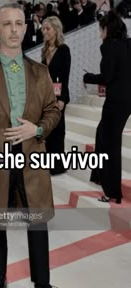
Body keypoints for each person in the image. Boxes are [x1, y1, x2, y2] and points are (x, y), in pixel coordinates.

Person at [0, 3, 61, 288]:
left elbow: (53, 111)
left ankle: (42, 282)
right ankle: (0, 278)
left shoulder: (40, 72)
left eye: (19, 23)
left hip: (32, 156)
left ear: (25, 27)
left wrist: (38, 128)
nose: (13, 29)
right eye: (7, 24)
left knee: (38, 222)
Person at [83, 10, 131, 204]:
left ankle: (113, 192)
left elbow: (107, 77)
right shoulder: (129, 43)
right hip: (128, 100)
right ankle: (99, 176)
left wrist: (88, 77)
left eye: (100, 29)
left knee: (111, 144)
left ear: (106, 29)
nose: (98, 33)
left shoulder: (109, 47)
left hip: (116, 100)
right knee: (102, 133)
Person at [42, 16, 71, 175]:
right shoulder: (44, 50)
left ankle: (57, 165)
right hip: (45, 96)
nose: (44, 32)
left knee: (58, 130)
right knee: (47, 129)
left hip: (59, 96)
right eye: (43, 29)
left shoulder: (64, 50)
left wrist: (62, 99)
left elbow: (65, 76)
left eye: (48, 29)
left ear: (56, 30)